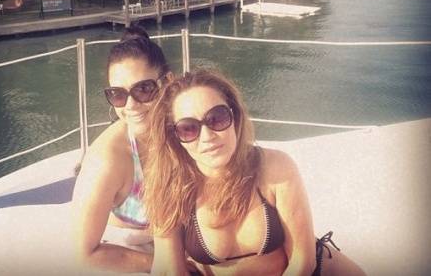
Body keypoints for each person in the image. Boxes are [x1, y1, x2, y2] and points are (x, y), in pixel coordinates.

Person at [144, 69, 366, 276]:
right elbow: (168, 270)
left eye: (217, 118)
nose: (207, 136)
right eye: (188, 128)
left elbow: (302, 261)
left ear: (235, 117)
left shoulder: (275, 167)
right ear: (175, 137)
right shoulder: (170, 185)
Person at [72, 26, 172, 274]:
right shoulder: (107, 160)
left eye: (144, 89)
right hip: (127, 250)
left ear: (168, 81)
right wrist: (163, 263)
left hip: (179, 237)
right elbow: (84, 252)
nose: (131, 105)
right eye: (118, 94)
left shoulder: (186, 127)